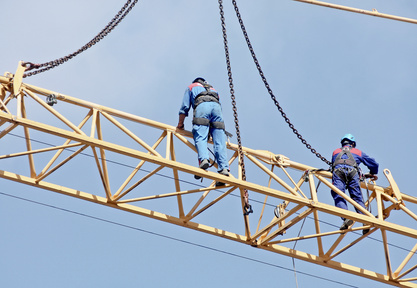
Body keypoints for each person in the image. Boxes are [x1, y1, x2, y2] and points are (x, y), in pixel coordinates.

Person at [176, 77, 229, 185]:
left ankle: (204, 160)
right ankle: (224, 169)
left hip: (202, 108)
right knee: (219, 142)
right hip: (217, 111)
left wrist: (180, 124)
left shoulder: (191, 87)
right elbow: (218, 107)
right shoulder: (213, 90)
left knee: (200, 137)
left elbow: (185, 107)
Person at [331, 133, 379, 234]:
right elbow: (374, 164)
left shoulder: (335, 152)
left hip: (338, 172)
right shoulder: (358, 152)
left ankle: (346, 217)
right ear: (353, 143)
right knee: (357, 198)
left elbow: (333, 164)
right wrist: (372, 173)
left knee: (338, 194)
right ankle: (365, 219)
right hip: (353, 173)